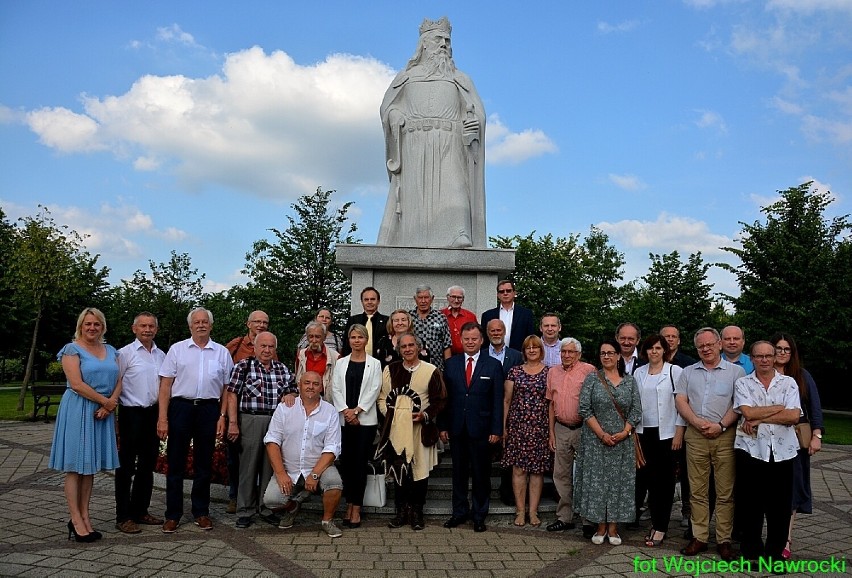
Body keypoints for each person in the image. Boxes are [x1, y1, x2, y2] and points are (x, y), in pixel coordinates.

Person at [376, 16, 486, 249]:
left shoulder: (460, 79)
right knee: (415, 198)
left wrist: (473, 124)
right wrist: (394, 116)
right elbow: (388, 108)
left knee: (455, 188)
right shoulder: (405, 78)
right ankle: (411, 239)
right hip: (415, 145)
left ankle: (458, 232)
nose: (445, 44)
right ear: (425, 43)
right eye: (439, 39)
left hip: (450, 143)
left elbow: (476, 113)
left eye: (447, 39)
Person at [157, 307, 233, 534]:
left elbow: (228, 389)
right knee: (176, 464)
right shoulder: (177, 350)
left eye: (205, 322)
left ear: (211, 325)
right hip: (181, 408)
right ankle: (173, 515)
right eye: (196, 322)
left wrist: (222, 416)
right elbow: (165, 386)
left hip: (209, 410)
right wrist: (162, 418)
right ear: (190, 326)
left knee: (203, 464)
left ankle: (201, 512)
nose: (201, 325)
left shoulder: (221, 353)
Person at [49, 308, 121, 542]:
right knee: (75, 466)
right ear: (81, 326)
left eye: (97, 324)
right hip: (79, 408)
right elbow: (76, 383)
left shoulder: (110, 350)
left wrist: (109, 406)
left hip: (103, 410)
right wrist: (104, 401)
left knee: (89, 466)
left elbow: (120, 379)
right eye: (88, 324)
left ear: (103, 327)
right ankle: (75, 519)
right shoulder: (72, 349)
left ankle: (86, 516)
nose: (92, 328)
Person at [674, 327, 744, 561]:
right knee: (697, 491)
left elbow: (738, 403)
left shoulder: (736, 372)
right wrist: (695, 422)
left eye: (710, 344)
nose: (705, 349)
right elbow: (680, 400)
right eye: (701, 346)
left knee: (725, 492)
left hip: (725, 436)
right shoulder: (688, 372)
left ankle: (724, 540)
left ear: (719, 345)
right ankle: (700, 537)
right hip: (695, 437)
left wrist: (721, 426)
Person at [734, 341, 801, 561]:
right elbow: (746, 412)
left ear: (774, 358)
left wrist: (758, 417)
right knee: (750, 504)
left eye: (768, 356)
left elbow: (793, 416)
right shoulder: (743, 383)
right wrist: (776, 408)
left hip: (783, 451)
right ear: (751, 358)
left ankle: (775, 553)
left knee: (780, 507)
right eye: (759, 356)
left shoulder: (789, 383)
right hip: (752, 450)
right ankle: (750, 551)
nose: (764, 360)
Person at [225, 331, 297, 529]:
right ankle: (245, 510)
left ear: (275, 349)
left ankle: (265, 508)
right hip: (251, 419)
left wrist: (290, 394)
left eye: (271, 347)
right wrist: (233, 422)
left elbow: (292, 389)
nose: (267, 350)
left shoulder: (282, 369)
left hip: (275, 421)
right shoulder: (243, 366)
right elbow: (231, 395)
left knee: (269, 467)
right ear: (255, 348)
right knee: (248, 467)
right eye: (263, 346)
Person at [573, 338, 642, 546]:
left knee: (619, 484)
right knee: (598, 484)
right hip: (596, 441)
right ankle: (600, 526)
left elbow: (636, 410)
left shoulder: (630, 381)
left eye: (611, 353)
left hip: (623, 442)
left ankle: (613, 527)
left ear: (619, 356)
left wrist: (625, 432)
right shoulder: (592, 379)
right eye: (603, 353)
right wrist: (602, 434)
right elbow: (584, 409)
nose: (606, 357)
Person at [377, 332, 447, 530]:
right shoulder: (391, 370)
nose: (407, 349)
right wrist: (392, 415)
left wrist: (424, 415)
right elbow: (382, 399)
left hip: (420, 430)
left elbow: (440, 400)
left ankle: (417, 512)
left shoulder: (430, 370)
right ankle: (401, 512)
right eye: (403, 346)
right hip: (397, 431)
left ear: (418, 348)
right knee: (400, 471)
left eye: (411, 345)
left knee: (419, 472)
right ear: (399, 349)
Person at [262, 371, 344, 538]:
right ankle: (293, 506)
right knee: (271, 500)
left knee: (334, 483)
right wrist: (280, 473)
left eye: (315, 384)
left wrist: (314, 474)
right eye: (307, 383)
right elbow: (272, 442)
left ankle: (327, 521)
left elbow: (332, 448)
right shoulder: (284, 409)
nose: (311, 387)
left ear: (322, 387)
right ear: (299, 385)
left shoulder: (330, 411)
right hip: (290, 468)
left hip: (319, 466)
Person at [440, 323, 504, 532]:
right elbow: (444, 399)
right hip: (457, 427)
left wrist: (496, 430)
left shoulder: (493, 365)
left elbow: (497, 400)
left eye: (474, 339)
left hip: (482, 429)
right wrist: (443, 426)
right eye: (466, 339)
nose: (470, 342)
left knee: (480, 474)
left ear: (481, 340)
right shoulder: (451, 364)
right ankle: (459, 513)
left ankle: (479, 515)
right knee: (458, 473)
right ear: (461, 340)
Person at [769, 332, 824, 560]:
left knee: (792, 489)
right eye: (778, 348)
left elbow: (815, 407)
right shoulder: (763, 375)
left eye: (786, 349)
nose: (782, 353)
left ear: (792, 353)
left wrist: (817, 435)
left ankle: (786, 539)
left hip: (795, 441)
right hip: (767, 440)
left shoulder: (801, 376)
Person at [114, 312, 166, 534]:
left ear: (156, 329)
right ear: (134, 328)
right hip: (131, 413)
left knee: (147, 466)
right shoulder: (124, 354)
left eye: (151, 326)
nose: (147, 329)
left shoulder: (161, 355)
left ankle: (140, 510)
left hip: (153, 414)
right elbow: (116, 384)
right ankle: (123, 516)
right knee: (126, 467)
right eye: (143, 326)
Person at [633, 334, 685, 547]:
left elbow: (682, 403)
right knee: (646, 479)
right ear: (645, 351)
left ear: (665, 350)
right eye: (650, 348)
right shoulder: (639, 372)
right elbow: (634, 404)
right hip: (644, 433)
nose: (654, 352)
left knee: (663, 483)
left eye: (658, 348)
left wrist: (679, 432)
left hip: (668, 435)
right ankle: (652, 521)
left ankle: (661, 526)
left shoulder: (675, 372)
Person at [331, 324, 383, 528]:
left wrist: (357, 410)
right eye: (352, 337)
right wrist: (346, 410)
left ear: (366, 339)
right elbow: (335, 388)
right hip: (345, 420)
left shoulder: (375, 363)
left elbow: (374, 388)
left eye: (360, 337)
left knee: (360, 464)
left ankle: (357, 508)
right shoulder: (341, 362)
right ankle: (348, 503)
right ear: (349, 340)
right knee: (346, 464)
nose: (356, 340)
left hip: (365, 421)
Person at [502, 335, 553, 528]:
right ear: (524, 351)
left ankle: (533, 511)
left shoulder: (549, 373)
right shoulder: (514, 372)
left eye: (536, 347)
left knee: (537, 471)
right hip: (518, 427)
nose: (532, 350)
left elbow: (550, 404)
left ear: (541, 351)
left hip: (539, 427)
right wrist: (504, 427)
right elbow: (507, 400)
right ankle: (520, 511)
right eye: (528, 348)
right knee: (519, 469)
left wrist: (551, 431)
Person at [545, 337, 595, 532]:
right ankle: (564, 517)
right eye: (563, 351)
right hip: (561, 428)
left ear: (579, 354)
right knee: (561, 474)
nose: (566, 355)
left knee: (585, 474)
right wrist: (551, 432)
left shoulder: (589, 371)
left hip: (584, 428)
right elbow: (551, 403)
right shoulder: (553, 372)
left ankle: (588, 520)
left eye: (571, 352)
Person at [659, 324, 696, 532]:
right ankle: (657, 508)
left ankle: (687, 510)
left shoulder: (688, 365)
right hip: (658, 428)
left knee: (686, 471)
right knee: (661, 471)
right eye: (666, 336)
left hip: (682, 426)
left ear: (679, 340)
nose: (670, 340)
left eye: (674, 337)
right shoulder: (650, 362)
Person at [480, 280, 536, 351]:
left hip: (519, 357)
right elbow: (484, 339)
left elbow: (530, 338)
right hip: (493, 357)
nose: (505, 293)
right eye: (502, 291)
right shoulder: (487, 315)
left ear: (514, 293)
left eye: (508, 291)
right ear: (498, 295)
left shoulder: (526, 314)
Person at [409, 285, 452, 371]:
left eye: (426, 297)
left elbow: (446, 345)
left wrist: (449, 368)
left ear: (432, 299)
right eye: (420, 298)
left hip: (436, 367)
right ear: (415, 299)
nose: (423, 301)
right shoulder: (409, 317)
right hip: (413, 366)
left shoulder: (440, 317)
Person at [295, 321, 340, 401]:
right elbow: (297, 377)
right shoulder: (301, 355)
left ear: (324, 337)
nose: (314, 340)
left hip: (327, 400)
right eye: (311, 337)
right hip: (304, 399)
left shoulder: (335, 357)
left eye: (317, 337)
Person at [342, 287, 389, 358]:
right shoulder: (353, 320)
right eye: (366, 299)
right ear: (362, 302)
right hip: (356, 362)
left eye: (372, 299)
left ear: (378, 301)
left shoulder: (387, 321)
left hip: (380, 362)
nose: (369, 302)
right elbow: (346, 344)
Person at [440, 285, 478, 355]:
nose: (456, 300)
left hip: (465, 356)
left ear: (463, 299)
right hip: (443, 356)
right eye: (453, 297)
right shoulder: (440, 315)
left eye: (459, 297)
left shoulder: (470, 316)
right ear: (448, 298)